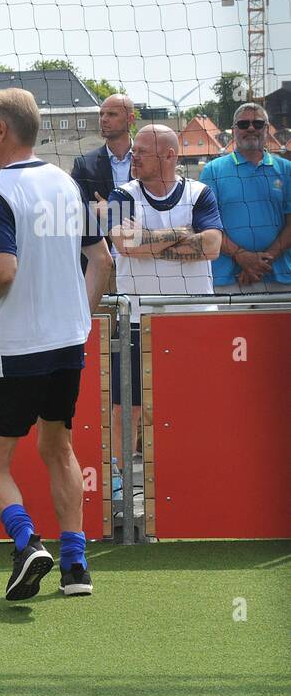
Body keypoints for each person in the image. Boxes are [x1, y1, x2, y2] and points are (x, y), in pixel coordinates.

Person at [0, 89, 112, 600]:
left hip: (18, 344)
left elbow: (3, 271)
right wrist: (77, 314)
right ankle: (76, 567)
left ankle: (27, 543)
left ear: (3, 130)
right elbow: (104, 262)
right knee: (58, 446)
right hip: (68, 341)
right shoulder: (68, 184)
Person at [104, 125, 223, 497]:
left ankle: (189, 479)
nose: (132, 156)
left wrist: (148, 241)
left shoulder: (200, 192)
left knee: (190, 405)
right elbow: (124, 244)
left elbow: (213, 245)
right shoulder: (121, 193)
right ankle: (121, 485)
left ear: (169, 156)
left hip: (192, 317)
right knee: (129, 407)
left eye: (141, 151)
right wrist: (182, 234)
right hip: (138, 317)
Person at [200, 102, 291, 295]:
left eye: (257, 124)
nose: (250, 128)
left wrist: (262, 262)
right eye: (243, 124)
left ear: (267, 129)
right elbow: (207, 226)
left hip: (279, 278)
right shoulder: (213, 171)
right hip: (228, 280)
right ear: (234, 130)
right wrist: (241, 257)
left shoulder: (286, 170)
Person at [71, 93, 136, 256]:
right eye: (101, 114)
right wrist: (93, 210)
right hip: (102, 263)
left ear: (131, 119)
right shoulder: (84, 165)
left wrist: (112, 211)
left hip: (141, 261)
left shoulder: (149, 161)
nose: (104, 119)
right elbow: (72, 211)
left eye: (112, 114)